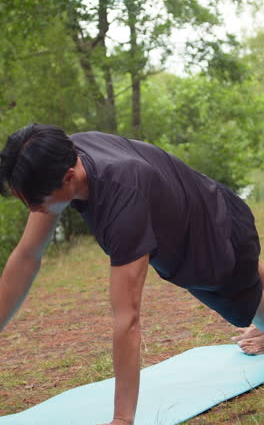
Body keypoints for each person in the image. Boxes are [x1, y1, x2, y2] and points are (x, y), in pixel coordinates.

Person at [0, 123, 263, 425]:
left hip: (211, 243)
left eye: (34, 202)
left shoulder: (121, 201)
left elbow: (128, 318)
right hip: (202, 208)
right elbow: (25, 257)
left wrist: (122, 419)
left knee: (245, 296)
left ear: (69, 178)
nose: (32, 209)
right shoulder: (61, 157)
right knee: (248, 276)